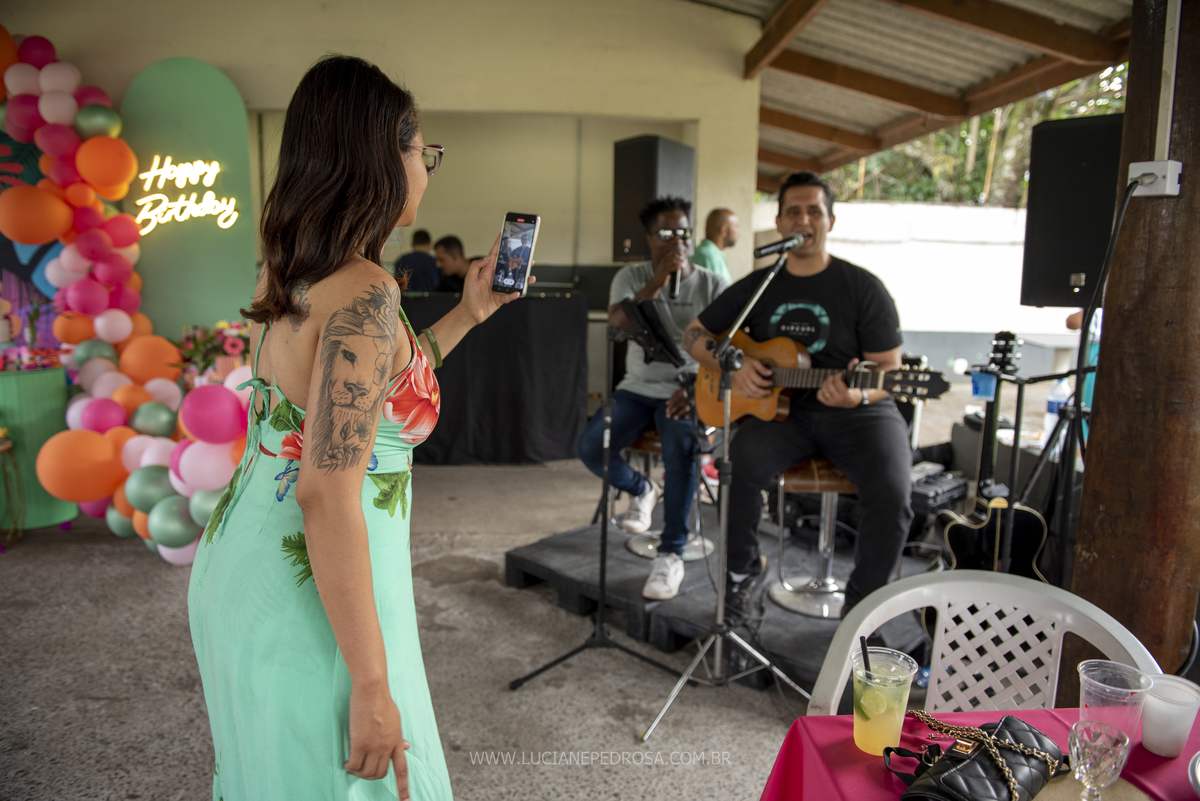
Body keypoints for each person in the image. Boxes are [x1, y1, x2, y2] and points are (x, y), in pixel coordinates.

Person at [189, 56, 524, 801]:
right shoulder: (367, 293)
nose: (426, 170)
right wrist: (371, 684)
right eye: (423, 152)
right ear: (382, 160)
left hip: (243, 565)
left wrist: (469, 313)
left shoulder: (290, 271)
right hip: (311, 589)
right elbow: (327, 493)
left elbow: (368, 395)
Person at [682, 171, 911, 619]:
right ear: (780, 223)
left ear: (830, 221)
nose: (803, 219)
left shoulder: (862, 287)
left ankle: (863, 611)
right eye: (793, 211)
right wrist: (733, 365)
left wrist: (858, 396)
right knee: (736, 469)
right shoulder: (759, 285)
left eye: (813, 211)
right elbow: (693, 334)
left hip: (858, 412)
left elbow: (888, 368)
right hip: (782, 413)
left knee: (892, 491)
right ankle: (743, 575)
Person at [578, 196, 728, 601]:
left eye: (683, 232)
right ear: (649, 238)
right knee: (592, 447)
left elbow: (728, 348)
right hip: (637, 387)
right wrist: (659, 281)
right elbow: (617, 323)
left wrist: (696, 391)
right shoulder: (632, 276)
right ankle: (641, 488)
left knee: (682, 451)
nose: (677, 240)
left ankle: (671, 553)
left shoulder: (713, 284)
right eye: (666, 233)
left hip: (686, 390)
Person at [689, 207, 738, 284]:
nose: (738, 231)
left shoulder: (709, 253)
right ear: (724, 231)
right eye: (736, 226)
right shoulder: (709, 257)